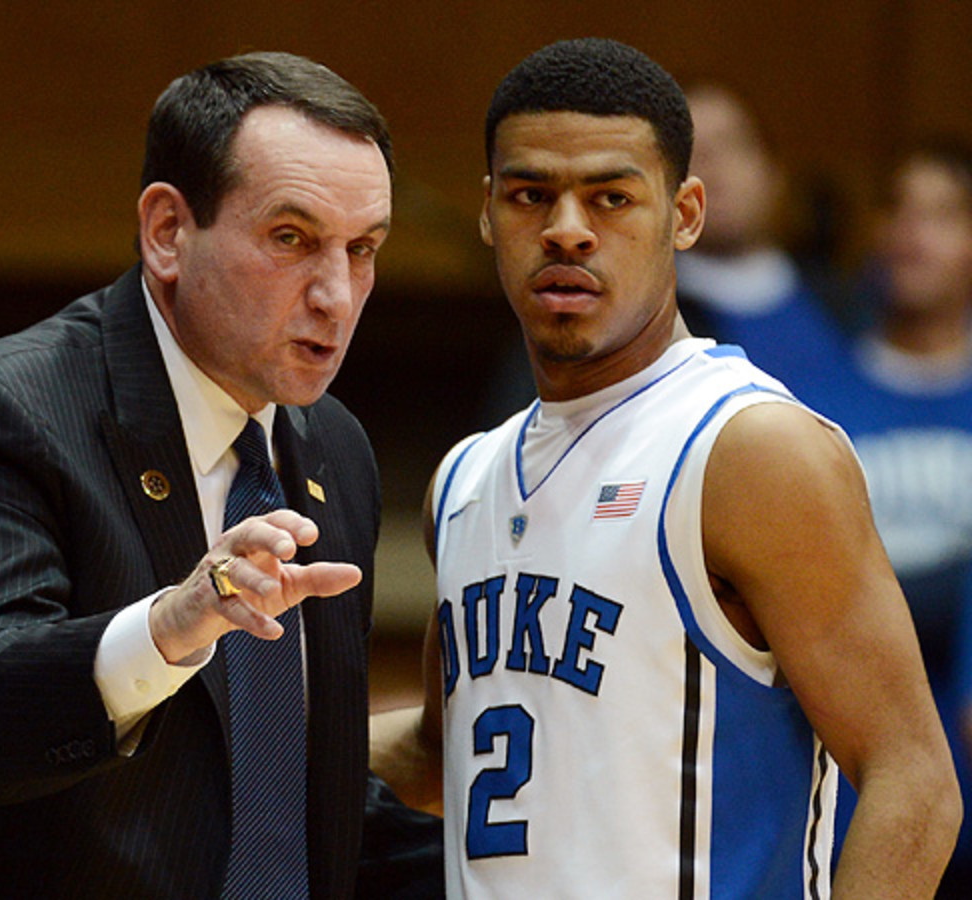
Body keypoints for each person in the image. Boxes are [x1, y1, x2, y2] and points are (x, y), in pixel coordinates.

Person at [0, 50, 440, 899]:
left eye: (363, 249)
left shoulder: (334, 449)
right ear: (168, 231)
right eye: (292, 239)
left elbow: (281, 813)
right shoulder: (4, 410)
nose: (338, 295)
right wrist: (171, 627)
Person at [371, 38, 960, 898]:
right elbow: (439, 749)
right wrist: (228, 730)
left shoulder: (751, 449)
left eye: (610, 197)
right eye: (531, 195)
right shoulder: (464, 481)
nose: (567, 228)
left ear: (685, 215)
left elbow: (915, 781)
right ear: (489, 213)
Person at [800, 137, 972, 898]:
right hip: (845, 804)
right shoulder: (804, 403)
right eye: (898, 209)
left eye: (943, 214)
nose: (913, 232)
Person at [675, 81, 851, 392]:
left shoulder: (847, 304)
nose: (713, 167)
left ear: (773, 171)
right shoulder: (644, 323)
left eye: (730, 144)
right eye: (691, 152)